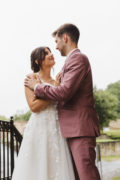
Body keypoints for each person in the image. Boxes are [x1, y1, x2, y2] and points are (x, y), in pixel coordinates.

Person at [24, 23, 101, 180]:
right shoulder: (71, 61)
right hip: (69, 131)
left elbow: (64, 92)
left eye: (56, 43)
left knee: (87, 175)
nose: (56, 48)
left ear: (65, 38)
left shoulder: (78, 59)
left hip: (80, 129)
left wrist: (38, 87)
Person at [12, 47, 75, 180]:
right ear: (37, 61)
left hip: (57, 128)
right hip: (39, 128)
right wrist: (55, 91)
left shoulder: (58, 80)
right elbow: (34, 107)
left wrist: (56, 88)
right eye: (45, 53)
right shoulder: (31, 79)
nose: (51, 54)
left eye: (50, 52)